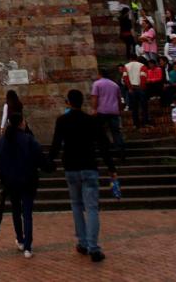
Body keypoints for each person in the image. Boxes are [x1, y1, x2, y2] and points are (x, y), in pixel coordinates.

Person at [49, 89, 116, 263]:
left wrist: (48, 163)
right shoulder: (91, 121)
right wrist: (111, 168)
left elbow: (56, 144)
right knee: (92, 208)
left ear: (68, 102)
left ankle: (83, 242)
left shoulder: (62, 120)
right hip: (89, 166)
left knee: (77, 206)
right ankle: (93, 247)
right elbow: (103, 145)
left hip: (71, 167)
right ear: (82, 102)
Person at [0, 112, 47, 259]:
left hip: (11, 181)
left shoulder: (3, 141)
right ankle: (28, 247)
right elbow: (40, 157)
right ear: (21, 123)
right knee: (27, 214)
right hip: (28, 180)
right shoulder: (28, 139)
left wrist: (4, 174)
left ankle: (21, 239)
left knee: (16, 211)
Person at [90, 70, 125, 158]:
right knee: (116, 131)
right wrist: (120, 109)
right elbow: (119, 99)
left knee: (101, 131)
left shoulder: (97, 84)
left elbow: (95, 98)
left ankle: (104, 149)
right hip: (114, 111)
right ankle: (120, 150)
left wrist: (94, 109)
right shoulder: (114, 85)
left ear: (100, 74)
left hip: (102, 111)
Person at [122, 53, 149, 129]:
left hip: (132, 89)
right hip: (140, 88)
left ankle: (135, 124)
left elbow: (125, 78)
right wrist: (142, 87)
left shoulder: (126, 66)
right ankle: (145, 122)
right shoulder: (142, 65)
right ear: (136, 58)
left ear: (130, 58)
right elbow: (143, 77)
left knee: (134, 107)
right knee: (144, 106)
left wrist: (129, 88)